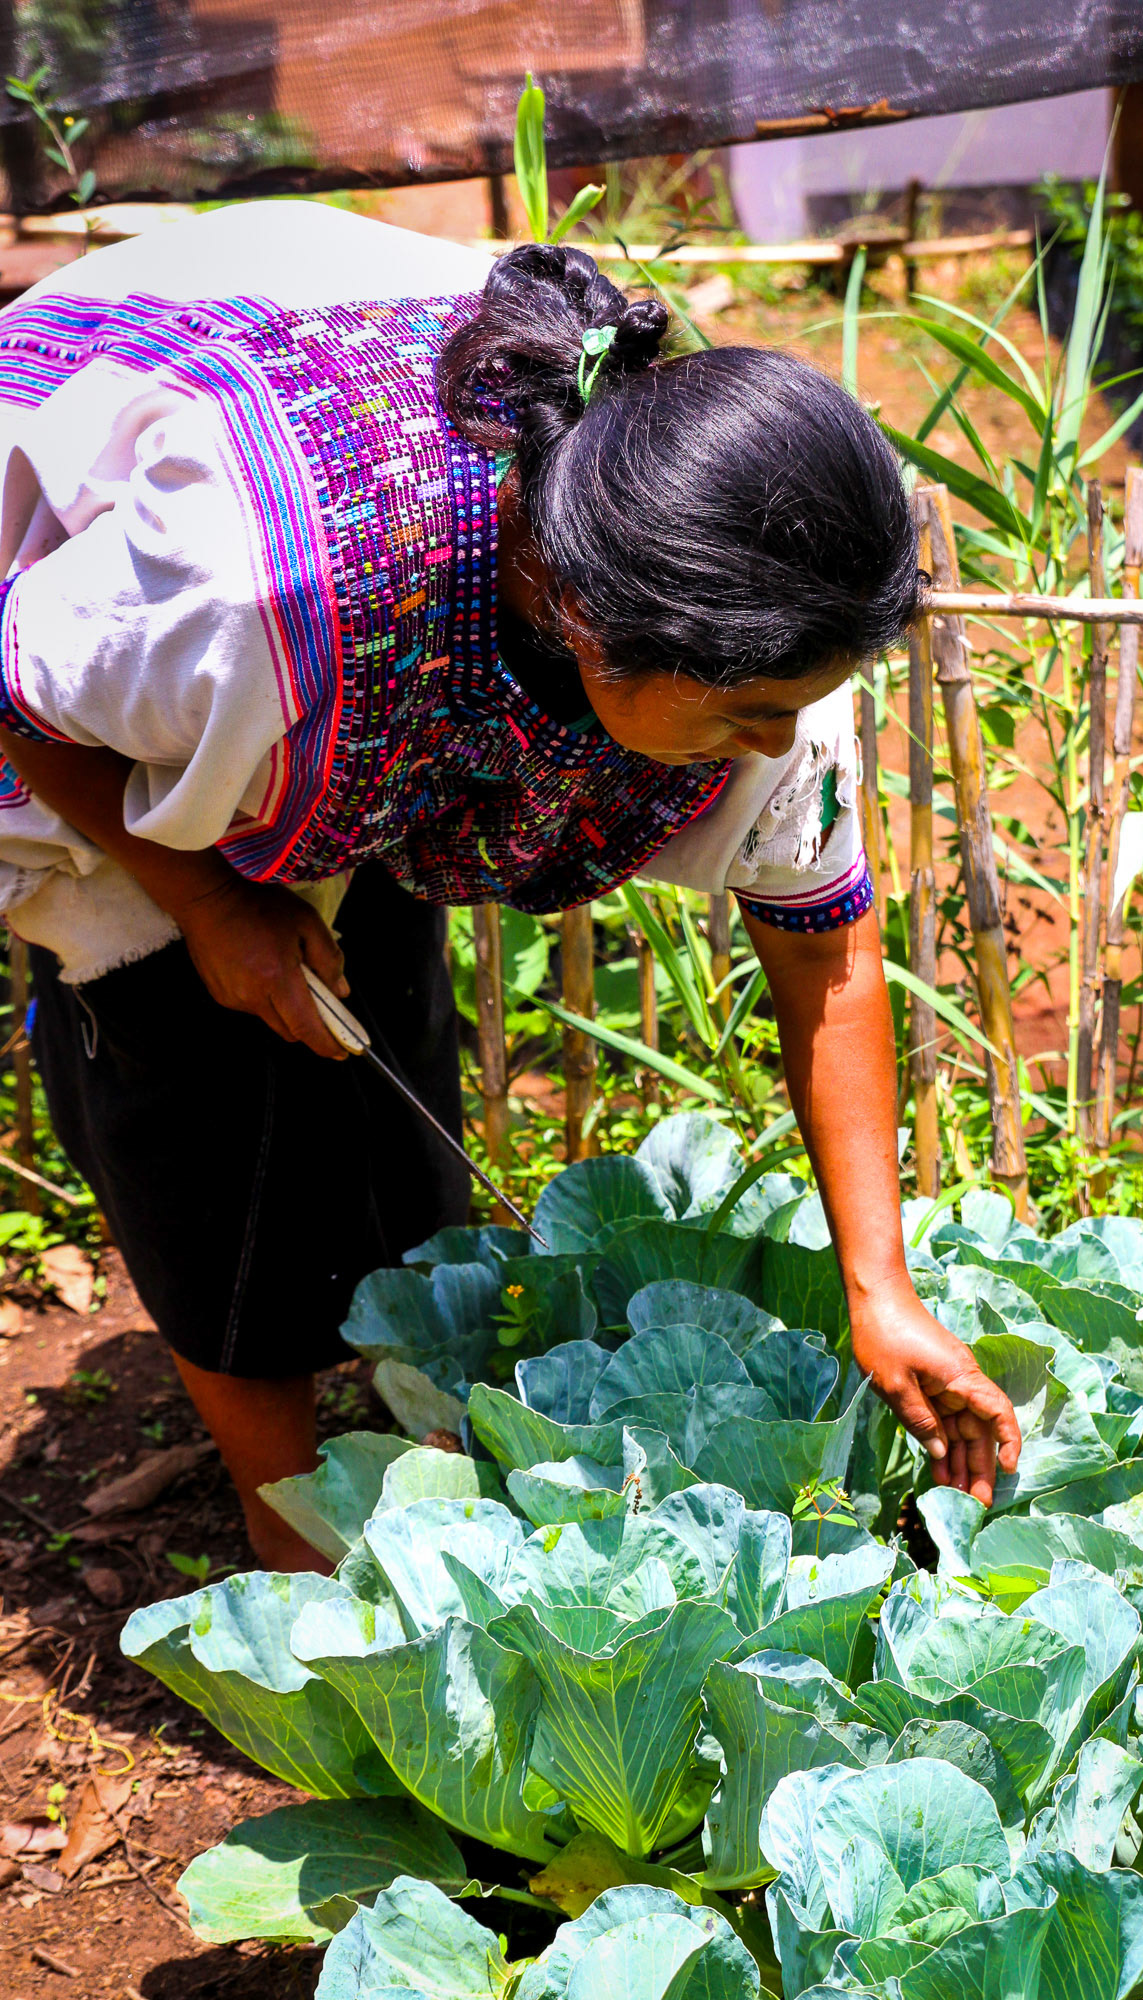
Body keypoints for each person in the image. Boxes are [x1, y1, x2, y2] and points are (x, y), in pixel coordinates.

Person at [0, 202, 1019, 1568]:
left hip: (383, 605)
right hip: (104, 487)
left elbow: (823, 952)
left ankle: (385, 1362)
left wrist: (876, 1291)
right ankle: (280, 1507)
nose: (779, 744)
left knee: (367, 978)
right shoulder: (251, 603)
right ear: (595, 628)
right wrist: (202, 902)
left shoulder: (739, 618)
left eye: (799, 705)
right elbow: (23, 689)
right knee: (187, 1059)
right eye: (747, 714)